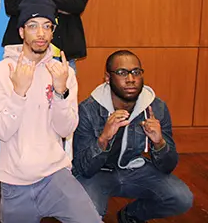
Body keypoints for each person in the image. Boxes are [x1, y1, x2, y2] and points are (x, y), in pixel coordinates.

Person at [0, 0, 101, 223]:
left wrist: (60, 92)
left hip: (56, 175)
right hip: (16, 182)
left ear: (52, 32)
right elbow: (1, 131)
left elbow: (65, 129)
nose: (40, 34)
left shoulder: (63, 73)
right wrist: (18, 92)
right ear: (21, 32)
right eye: (33, 26)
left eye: (47, 26)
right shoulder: (0, 72)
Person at [73, 50, 193, 223]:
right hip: (97, 174)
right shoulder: (88, 110)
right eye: (122, 73)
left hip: (134, 169)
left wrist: (159, 142)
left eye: (136, 72)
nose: (130, 79)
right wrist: (103, 138)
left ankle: (131, 216)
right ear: (107, 77)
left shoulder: (156, 107)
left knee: (181, 197)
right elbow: (83, 168)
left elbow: (168, 167)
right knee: (88, 215)